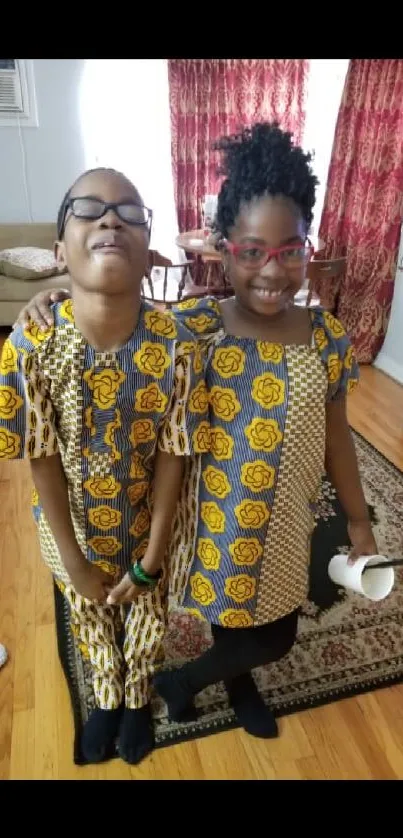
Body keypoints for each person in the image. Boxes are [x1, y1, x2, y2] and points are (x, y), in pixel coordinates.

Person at [15, 123, 378, 743]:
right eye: (252, 251)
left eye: (291, 250)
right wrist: (47, 299)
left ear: (306, 250)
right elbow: (115, 305)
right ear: (224, 249)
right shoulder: (195, 326)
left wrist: (359, 519)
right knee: (234, 616)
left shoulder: (326, 340)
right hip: (213, 518)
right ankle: (222, 678)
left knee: (277, 629)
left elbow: (336, 436)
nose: (272, 270)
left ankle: (201, 680)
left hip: (288, 517)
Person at [0, 167, 209, 764]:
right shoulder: (31, 345)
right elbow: (40, 457)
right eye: (88, 210)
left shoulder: (175, 345)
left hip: (149, 518)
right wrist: (72, 559)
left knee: (146, 612)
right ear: (59, 250)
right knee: (90, 612)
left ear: (150, 254)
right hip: (72, 526)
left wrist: (153, 552)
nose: (111, 218)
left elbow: (175, 450)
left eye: (129, 212)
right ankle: (106, 698)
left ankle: (138, 697)